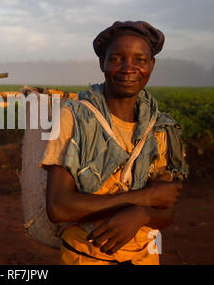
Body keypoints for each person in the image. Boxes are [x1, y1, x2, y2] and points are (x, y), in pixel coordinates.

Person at [41, 21, 188, 265]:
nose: (128, 69)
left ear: (151, 65)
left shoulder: (162, 128)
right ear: (102, 64)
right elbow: (58, 208)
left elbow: (167, 207)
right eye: (117, 59)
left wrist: (141, 214)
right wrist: (144, 200)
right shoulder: (75, 116)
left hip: (145, 258)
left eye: (140, 60)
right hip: (85, 256)